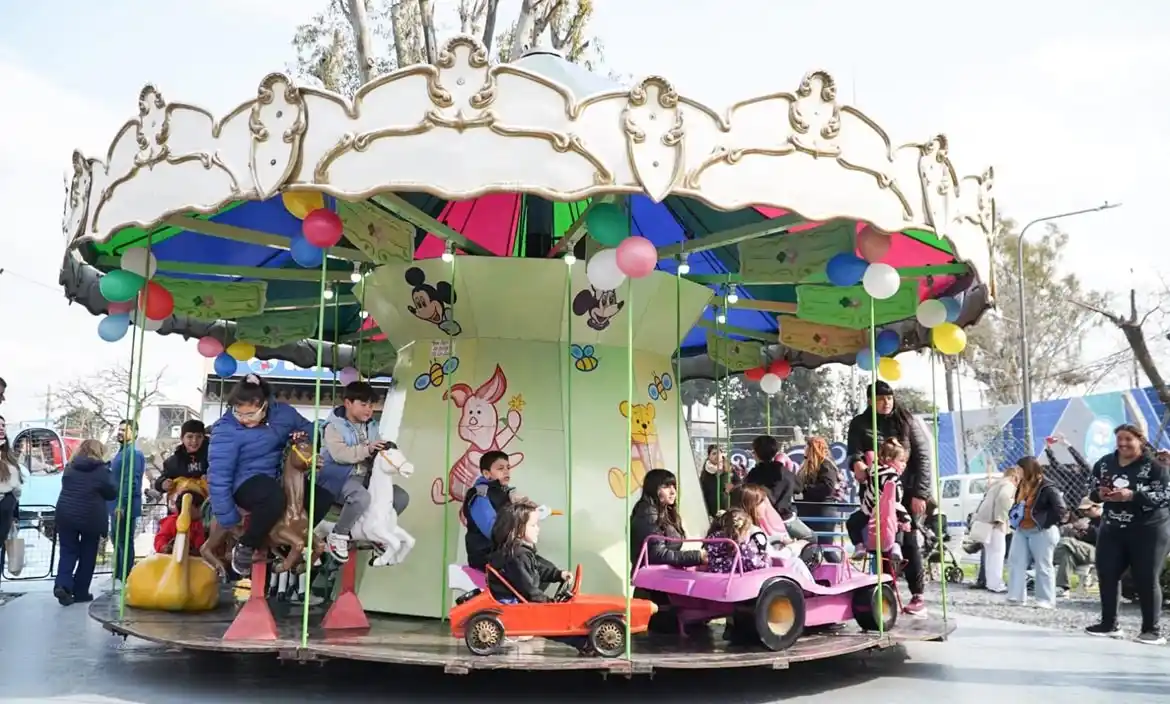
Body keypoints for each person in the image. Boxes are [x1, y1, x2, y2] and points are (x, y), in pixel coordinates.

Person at [208, 374, 318, 577]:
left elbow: (311, 428)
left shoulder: (284, 414)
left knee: (317, 496)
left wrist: (303, 436)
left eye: (250, 415)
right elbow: (218, 476)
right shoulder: (225, 429)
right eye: (239, 414)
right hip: (244, 482)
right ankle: (246, 545)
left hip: (277, 476)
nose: (244, 420)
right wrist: (228, 518)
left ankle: (292, 541)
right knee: (273, 497)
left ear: (264, 405)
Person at [845, 381, 932, 615]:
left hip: (905, 492)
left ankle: (917, 593)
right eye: (881, 399)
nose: (887, 402)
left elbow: (923, 457)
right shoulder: (860, 424)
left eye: (890, 398)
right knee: (880, 541)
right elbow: (852, 452)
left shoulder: (907, 421)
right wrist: (857, 463)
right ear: (870, 401)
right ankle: (888, 590)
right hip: (876, 494)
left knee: (909, 540)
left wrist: (920, 493)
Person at [1085, 424, 1170, 644]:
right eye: (1119, 439)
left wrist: (1132, 495)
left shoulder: (1155, 466)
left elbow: (1164, 496)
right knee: (1107, 573)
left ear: (1140, 440)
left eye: (1128, 439)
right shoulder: (1104, 463)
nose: (1122, 444)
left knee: (1146, 577)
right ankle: (1108, 624)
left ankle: (1152, 630)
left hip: (1148, 529)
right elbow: (1091, 489)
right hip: (1112, 527)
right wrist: (1099, 494)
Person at [487, 501, 587, 652]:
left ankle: (583, 642)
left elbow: (537, 569)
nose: (538, 530)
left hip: (517, 599)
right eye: (533, 526)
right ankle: (583, 643)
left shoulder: (520, 551)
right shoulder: (518, 556)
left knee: (553, 615)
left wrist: (558, 574)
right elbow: (528, 589)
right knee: (551, 621)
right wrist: (548, 603)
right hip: (512, 603)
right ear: (518, 530)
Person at [630, 468, 706, 632]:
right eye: (666, 487)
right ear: (653, 488)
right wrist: (696, 556)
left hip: (664, 585)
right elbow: (656, 553)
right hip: (654, 589)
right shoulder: (648, 513)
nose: (673, 491)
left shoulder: (665, 511)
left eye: (674, 486)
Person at [319, 381, 387, 561]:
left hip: (364, 476)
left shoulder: (371, 426)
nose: (368, 410)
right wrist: (368, 449)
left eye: (371, 405)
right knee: (361, 497)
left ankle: (373, 530)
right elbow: (340, 454)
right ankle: (338, 534)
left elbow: (375, 449)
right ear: (348, 403)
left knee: (399, 497)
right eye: (363, 404)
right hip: (339, 476)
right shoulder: (333, 427)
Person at [53, 439, 116, 606]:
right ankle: (80, 592)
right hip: (91, 518)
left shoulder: (70, 468)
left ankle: (63, 584)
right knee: (88, 554)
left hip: (66, 515)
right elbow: (111, 493)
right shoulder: (102, 470)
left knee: (67, 551)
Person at [1005, 456, 1067, 609]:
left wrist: (1044, 523)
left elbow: (1061, 510)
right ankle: (1016, 596)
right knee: (1015, 562)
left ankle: (1046, 599)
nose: (1017, 472)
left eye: (1020, 469)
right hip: (1022, 529)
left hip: (1041, 531)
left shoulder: (1048, 487)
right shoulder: (1023, 485)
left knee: (1043, 565)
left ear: (1028, 469)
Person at [846, 438, 912, 562]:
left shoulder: (872, 471)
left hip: (869, 511)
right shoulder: (894, 479)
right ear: (889, 460)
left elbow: (864, 477)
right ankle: (896, 546)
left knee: (852, 522)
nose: (904, 464)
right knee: (898, 525)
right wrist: (905, 518)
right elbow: (895, 502)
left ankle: (859, 546)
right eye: (901, 461)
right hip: (887, 511)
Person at [745, 435, 814, 540]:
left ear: (757, 454)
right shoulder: (784, 472)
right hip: (785, 518)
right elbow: (799, 488)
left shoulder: (753, 475)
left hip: (763, 520)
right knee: (811, 537)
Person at [463, 450, 518, 570]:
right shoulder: (480, 495)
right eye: (500, 468)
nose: (506, 471)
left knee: (546, 569)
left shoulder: (507, 494)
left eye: (508, 467)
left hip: (503, 552)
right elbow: (493, 531)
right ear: (487, 474)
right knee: (532, 570)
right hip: (485, 555)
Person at [971, 465, 1020, 593]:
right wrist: (1003, 516)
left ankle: (990, 582)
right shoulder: (1008, 485)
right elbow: (1004, 498)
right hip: (996, 522)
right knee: (998, 554)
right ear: (1015, 476)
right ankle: (997, 584)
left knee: (990, 554)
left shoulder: (995, 485)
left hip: (985, 521)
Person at [108, 420, 145, 584]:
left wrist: (122, 505)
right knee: (116, 538)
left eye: (125, 430)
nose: (120, 432)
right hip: (114, 503)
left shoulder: (134, 454)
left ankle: (125, 574)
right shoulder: (121, 453)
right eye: (120, 429)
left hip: (124, 504)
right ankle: (118, 572)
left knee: (124, 539)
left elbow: (132, 481)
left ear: (134, 433)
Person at [794, 436, 842, 546]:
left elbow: (827, 487)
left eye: (807, 446)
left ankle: (841, 563)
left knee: (826, 548)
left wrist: (804, 489)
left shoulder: (826, 464)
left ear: (813, 448)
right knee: (807, 548)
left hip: (821, 513)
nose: (804, 449)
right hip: (807, 512)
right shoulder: (806, 465)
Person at [1055, 496, 1101, 598]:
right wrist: (1074, 532)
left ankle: (1045, 560)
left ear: (1097, 507)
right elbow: (1080, 541)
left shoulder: (1105, 519)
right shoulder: (1086, 520)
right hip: (1083, 552)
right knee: (1067, 554)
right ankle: (1063, 588)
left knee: (1066, 542)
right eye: (1082, 511)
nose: (1085, 513)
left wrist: (1088, 528)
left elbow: (1105, 537)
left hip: (1100, 551)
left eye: (1088, 509)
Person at [702, 507, 770, 573]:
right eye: (748, 530)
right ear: (743, 532)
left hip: (711, 577)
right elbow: (758, 566)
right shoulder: (742, 550)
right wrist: (766, 559)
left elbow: (706, 556)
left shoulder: (713, 539)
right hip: (734, 582)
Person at [154, 420, 208, 495]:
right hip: (181, 503)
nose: (194, 441)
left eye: (199, 436)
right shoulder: (172, 462)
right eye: (190, 436)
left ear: (203, 438)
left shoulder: (213, 458)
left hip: (208, 502)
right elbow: (160, 481)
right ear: (182, 438)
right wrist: (163, 484)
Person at [153, 485, 209, 555]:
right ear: (189, 507)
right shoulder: (171, 522)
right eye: (199, 508)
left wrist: (195, 551)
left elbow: (200, 545)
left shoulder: (198, 524)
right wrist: (165, 547)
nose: (202, 511)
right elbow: (160, 539)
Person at [0, 415, 22, 549]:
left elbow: (17, 487)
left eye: (3, 425)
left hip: (5, 510)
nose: (1, 428)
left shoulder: (8, 456)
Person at [699, 445, 727, 518]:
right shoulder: (705, 473)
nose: (717, 456)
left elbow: (737, 484)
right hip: (712, 512)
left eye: (719, 453)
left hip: (728, 509)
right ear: (709, 456)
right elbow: (702, 491)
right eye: (714, 453)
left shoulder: (729, 469)